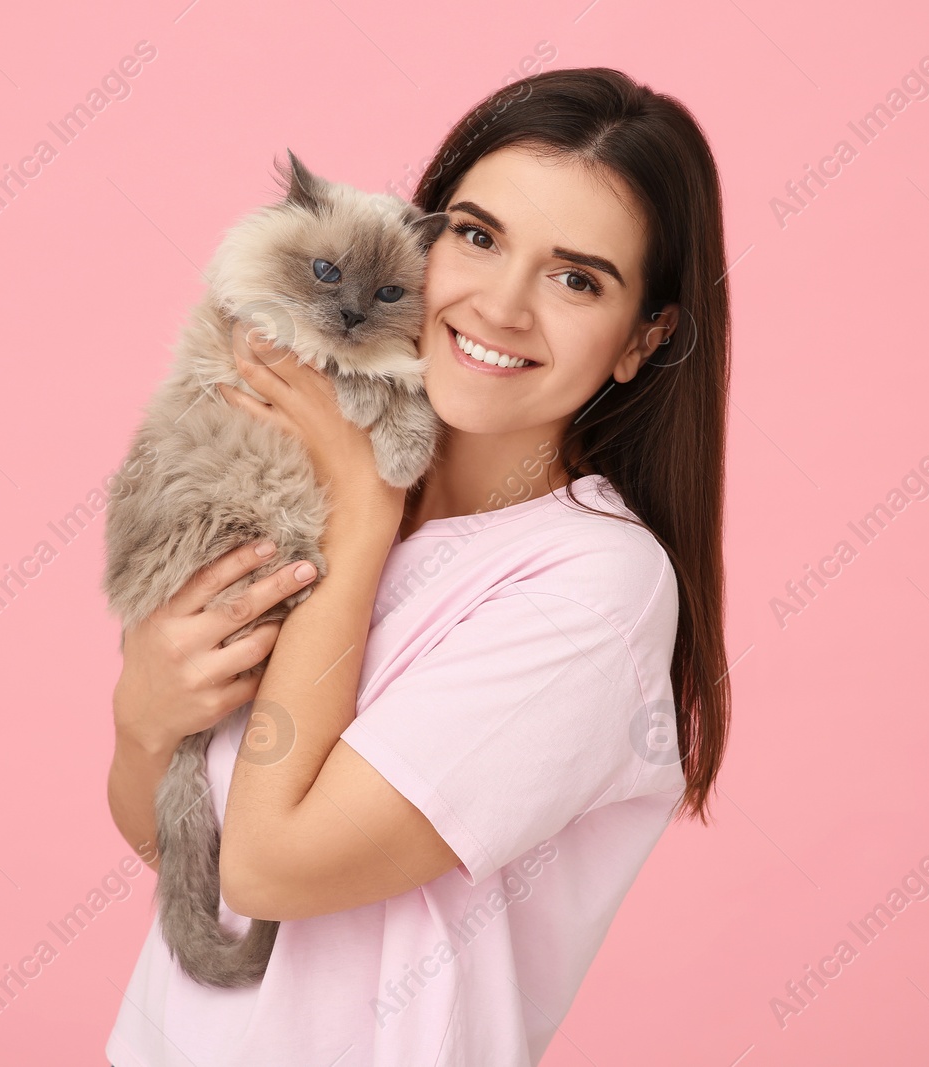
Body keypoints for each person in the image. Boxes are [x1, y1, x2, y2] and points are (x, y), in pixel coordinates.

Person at [104, 66, 730, 1067]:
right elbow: (193, 862)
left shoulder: (594, 589)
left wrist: (358, 515)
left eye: (577, 279)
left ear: (640, 339)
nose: (502, 305)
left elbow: (268, 866)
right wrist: (140, 719)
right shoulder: (301, 470)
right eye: (476, 237)